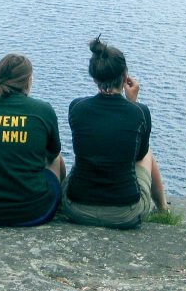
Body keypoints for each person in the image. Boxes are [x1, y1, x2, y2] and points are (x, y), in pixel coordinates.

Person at [62, 36, 169, 229]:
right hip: (125, 214)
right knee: (148, 153)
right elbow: (138, 154)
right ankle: (163, 209)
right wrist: (132, 103)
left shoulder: (76, 107)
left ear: (94, 77)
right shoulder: (139, 112)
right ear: (125, 75)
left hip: (76, 209)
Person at [0, 54, 66, 226]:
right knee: (57, 157)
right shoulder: (43, 109)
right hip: (33, 211)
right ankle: (62, 204)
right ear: (28, 80)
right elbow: (53, 153)